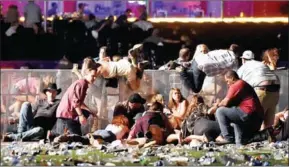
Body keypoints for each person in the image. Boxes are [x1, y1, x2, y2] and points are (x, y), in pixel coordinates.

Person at [210, 70, 264, 145]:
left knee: (220, 111)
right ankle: (239, 145)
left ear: (232, 78)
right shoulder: (244, 84)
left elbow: (225, 102)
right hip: (257, 117)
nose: (228, 84)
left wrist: (216, 106)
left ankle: (227, 138)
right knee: (238, 139)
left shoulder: (237, 84)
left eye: (227, 81)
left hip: (248, 112)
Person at [54, 61, 100, 136]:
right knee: (77, 138)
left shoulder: (84, 84)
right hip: (67, 113)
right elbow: (75, 103)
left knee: (86, 113)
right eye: (92, 76)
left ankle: (59, 132)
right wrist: (81, 116)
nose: (94, 78)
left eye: (95, 77)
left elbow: (80, 102)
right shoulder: (81, 84)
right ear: (87, 73)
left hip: (68, 113)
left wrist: (91, 111)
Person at [237, 50, 280, 130]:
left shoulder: (242, 68)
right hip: (275, 91)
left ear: (243, 59)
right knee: (268, 123)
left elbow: (236, 86)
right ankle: (270, 139)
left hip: (261, 90)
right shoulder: (261, 64)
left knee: (254, 119)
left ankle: (252, 139)